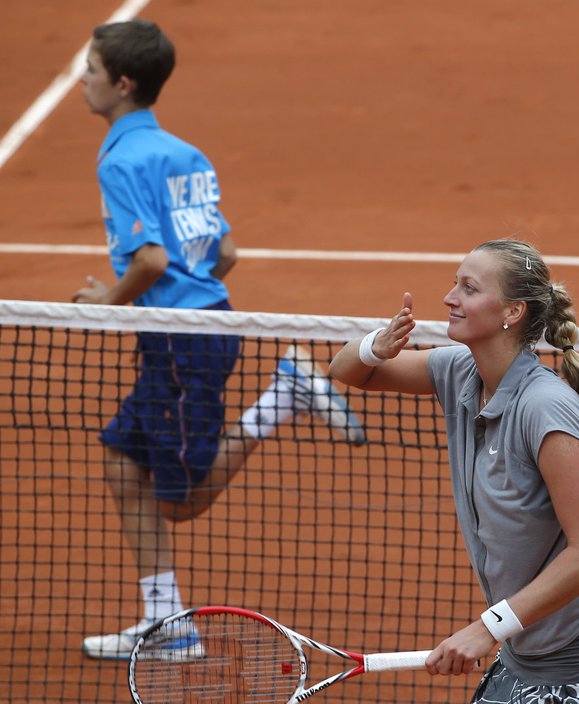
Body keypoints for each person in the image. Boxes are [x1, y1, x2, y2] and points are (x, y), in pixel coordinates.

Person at [76, 18, 365, 661]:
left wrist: (109, 304)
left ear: (122, 84)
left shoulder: (121, 159)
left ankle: (281, 401)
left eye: (90, 71)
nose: (82, 81)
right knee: (123, 463)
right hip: (205, 328)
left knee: (180, 501)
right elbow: (223, 252)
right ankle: (167, 621)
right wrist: (172, 300)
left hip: (179, 345)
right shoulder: (185, 152)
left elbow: (149, 261)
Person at [328, 238, 579, 702]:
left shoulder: (545, 409)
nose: (449, 298)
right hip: (523, 658)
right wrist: (377, 346)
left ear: (512, 311)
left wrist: (488, 627)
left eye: (469, 288)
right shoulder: (460, 371)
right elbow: (351, 371)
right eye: (454, 284)